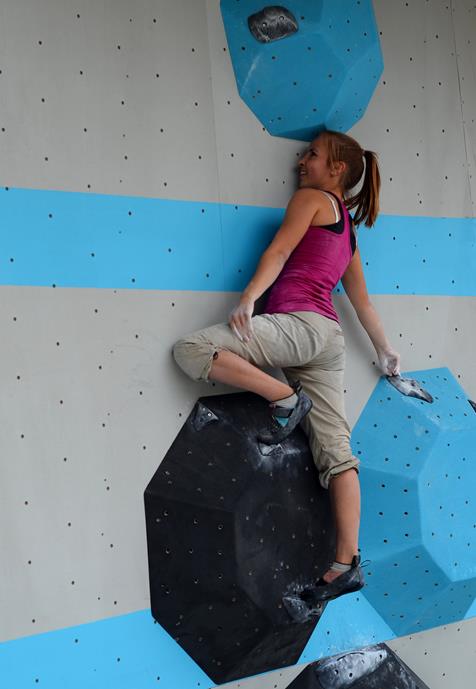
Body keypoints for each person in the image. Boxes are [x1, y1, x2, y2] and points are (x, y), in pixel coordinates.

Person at [173, 130, 400, 605]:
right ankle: (345, 564)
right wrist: (385, 352)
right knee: (338, 454)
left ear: (336, 168)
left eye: (312, 154)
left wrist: (250, 297)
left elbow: (278, 250)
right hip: (329, 340)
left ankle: (284, 398)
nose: (302, 160)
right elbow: (361, 303)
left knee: (192, 350)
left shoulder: (312, 199)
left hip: (298, 324)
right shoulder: (348, 232)